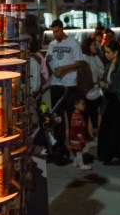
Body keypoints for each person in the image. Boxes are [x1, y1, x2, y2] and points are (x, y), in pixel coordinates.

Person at [45, 19, 83, 154]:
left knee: (72, 116)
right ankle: (60, 146)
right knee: (57, 117)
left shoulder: (74, 43)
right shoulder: (52, 44)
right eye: (53, 32)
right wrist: (48, 62)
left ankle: (75, 145)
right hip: (56, 84)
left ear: (62, 28)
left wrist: (65, 69)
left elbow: (80, 63)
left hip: (70, 85)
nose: (55, 34)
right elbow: (47, 61)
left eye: (57, 31)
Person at [81, 37, 105, 138]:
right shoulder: (83, 58)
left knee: (94, 112)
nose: (95, 46)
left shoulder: (95, 57)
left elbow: (101, 71)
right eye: (93, 45)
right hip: (87, 90)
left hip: (96, 89)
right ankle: (86, 132)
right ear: (88, 46)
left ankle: (95, 129)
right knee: (86, 112)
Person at [68, 96, 92, 170]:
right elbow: (78, 130)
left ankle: (76, 162)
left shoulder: (77, 114)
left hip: (74, 136)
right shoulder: (77, 117)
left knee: (78, 150)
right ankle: (82, 165)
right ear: (76, 105)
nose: (84, 106)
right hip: (77, 137)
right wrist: (81, 139)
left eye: (84, 104)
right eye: (82, 104)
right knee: (79, 151)